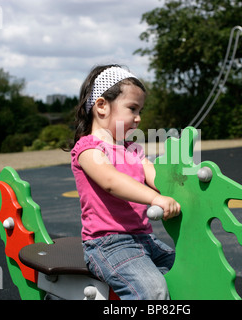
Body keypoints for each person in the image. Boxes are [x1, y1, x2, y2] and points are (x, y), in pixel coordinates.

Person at [68, 64, 181, 300]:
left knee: (187, 270)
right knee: (152, 291)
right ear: (101, 106)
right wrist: (154, 198)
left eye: (140, 110)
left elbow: (153, 174)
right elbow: (111, 181)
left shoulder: (132, 149)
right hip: (108, 244)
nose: (138, 118)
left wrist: (178, 186)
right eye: (132, 108)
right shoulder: (88, 149)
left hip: (145, 238)